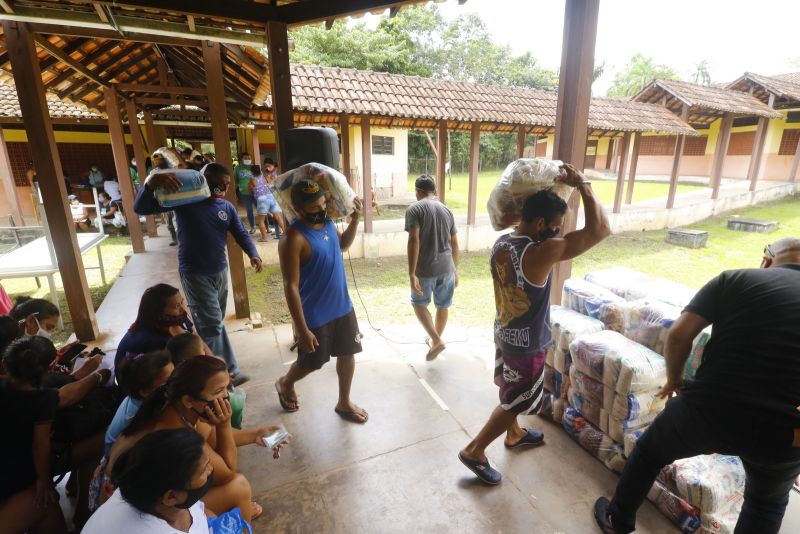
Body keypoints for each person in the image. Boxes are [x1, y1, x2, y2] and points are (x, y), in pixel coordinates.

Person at [594, 237, 800, 534]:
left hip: (710, 410)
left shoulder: (736, 279)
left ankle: (619, 520)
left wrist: (675, 381)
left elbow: (679, 335)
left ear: (766, 260)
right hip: (784, 432)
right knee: (765, 504)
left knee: (650, 453)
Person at [459, 164, 610, 485]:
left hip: (504, 333)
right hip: (527, 345)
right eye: (556, 226)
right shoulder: (545, 251)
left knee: (509, 388)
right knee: (521, 399)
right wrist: (583, 184)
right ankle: (475, 450)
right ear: (540, 223)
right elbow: (601, 230)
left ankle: (513, 434)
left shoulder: (501, 244)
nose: (558, 232)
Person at [103, 356, 285, 522]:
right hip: (134, 511)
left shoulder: (176, 404)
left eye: (227, 387)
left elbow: (212, 437)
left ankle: (237, 508)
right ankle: (239, 511)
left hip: (143, 491)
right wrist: (224, 424)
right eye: (218, 391)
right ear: (189, 400)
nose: (226, 397)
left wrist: (256, 434)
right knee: (239, 487)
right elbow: (227, 472)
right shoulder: (173, 432)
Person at [135, 163, 262, 386]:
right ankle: (225, 372)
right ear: (204, 181)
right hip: (195, 273)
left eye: (227, 183)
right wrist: (149, 186)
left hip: (219, 271)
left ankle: (209, 367)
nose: (223, 186)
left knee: (213, 322)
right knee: (211, 324)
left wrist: (253, 253)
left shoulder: (226, 207)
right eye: (218, 182)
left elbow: (240, 233)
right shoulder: (184, 203)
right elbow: (142, 208)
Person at [274, 179, 368, 423]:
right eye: (314, 207)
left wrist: (355, 220)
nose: (321, 210)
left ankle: (344, 401)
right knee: (312, 362)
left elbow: (342, 246)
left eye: (322, 204)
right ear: (298, 206)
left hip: (342, 306)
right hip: (315, 315)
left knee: (348, 353)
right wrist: (302, 329)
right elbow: (290, 287)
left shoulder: (326, 223)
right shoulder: (293, 239)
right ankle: (286, 382)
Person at [84, 428, 212, 534]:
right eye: (204, 470)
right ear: (171, 497)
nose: (211, 469)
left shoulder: (137, 487)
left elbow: (197, 511)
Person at [0, 337, 67, 534]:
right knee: (46, 501)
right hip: (18, 471)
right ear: (50, 367)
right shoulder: (44, 399)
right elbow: (40, 444)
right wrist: (43, 480)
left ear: (4, 363)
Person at [405, 175, 459, 361]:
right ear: (434, 191)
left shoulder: (414, 209)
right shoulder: (447, 210)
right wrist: (455, 270)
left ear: (418, 191)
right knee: (443, 305)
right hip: (447, 268)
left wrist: (412, 273)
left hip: (425, 269)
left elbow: (414, 240)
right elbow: (455, 243)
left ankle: (436, 340)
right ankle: (435, 338)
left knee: (419, 304)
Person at [115, 284, 204, 369]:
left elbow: (196, 338)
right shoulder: (155, 343)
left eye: (182, 302)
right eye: (177, 306)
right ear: (159, 313)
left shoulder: (176, 319)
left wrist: (213, 358)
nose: (183, 309)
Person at [104, 350, 174, 456]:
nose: (176, 380)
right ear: (145, 391)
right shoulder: (142, 415)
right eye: (169, 381)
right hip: (116, 455)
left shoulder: (138, 397)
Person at [249, 164, 285, 242]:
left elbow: (250, 191)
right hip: (271, 197)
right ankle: (286, 234)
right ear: (260, 170)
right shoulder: (265, 177)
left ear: (252, 172)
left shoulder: (252, 180)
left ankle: (264, 238)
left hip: (262, 199)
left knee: (261, 220)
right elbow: (270, 185)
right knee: (278, 217)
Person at [234, 152, 256, 234]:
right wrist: (234, 193)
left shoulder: (254, 167)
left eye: (249, 158)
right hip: (244, 193)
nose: (248, 160)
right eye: (245, 158)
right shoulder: (238, 168)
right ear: (241, 159)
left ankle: (267, 227)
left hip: (256, 192)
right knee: (249, 210)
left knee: (262, 209)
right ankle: (253, 227)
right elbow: (235, 181)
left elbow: (260, 179)